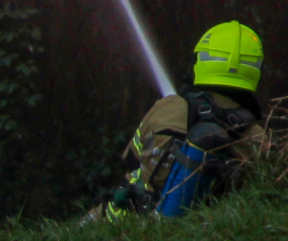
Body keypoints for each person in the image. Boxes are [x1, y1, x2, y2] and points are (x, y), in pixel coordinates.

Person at [107, 22, 267, 218]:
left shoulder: (166, 109)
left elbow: (130, 160)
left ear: (201, 58)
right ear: (256, 68)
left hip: (124, 225)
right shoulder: (258, 138)